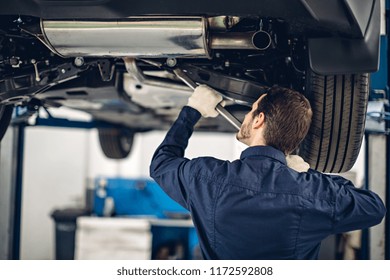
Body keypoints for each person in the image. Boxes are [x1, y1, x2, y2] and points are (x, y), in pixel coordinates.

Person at [149, 85, 386, 259]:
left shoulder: (206, 178)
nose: (247, 116)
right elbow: (374, 208)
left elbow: (161, 163)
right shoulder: (312, 193)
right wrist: (311, 176)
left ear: (259, 120)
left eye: (251, 110)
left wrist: (193, 110)